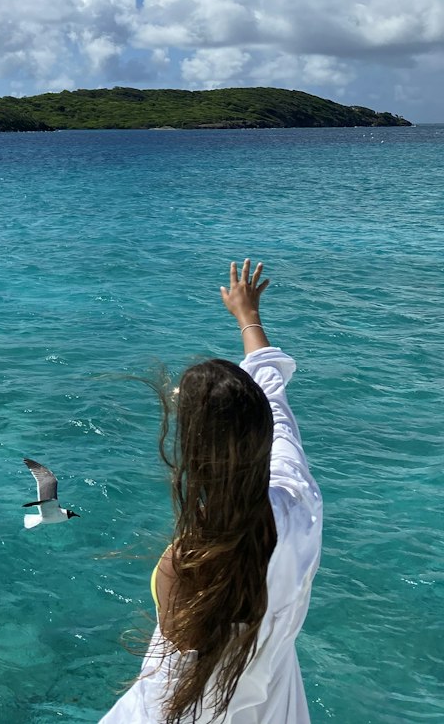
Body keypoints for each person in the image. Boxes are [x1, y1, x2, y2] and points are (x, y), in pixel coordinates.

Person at [100, 259, 323, 723]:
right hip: (277, 701)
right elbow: (272, 390)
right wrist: (249, 317)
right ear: (261, 432)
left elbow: (163, 701)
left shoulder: (188, 565)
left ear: (192, 457)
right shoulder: (299, 502)